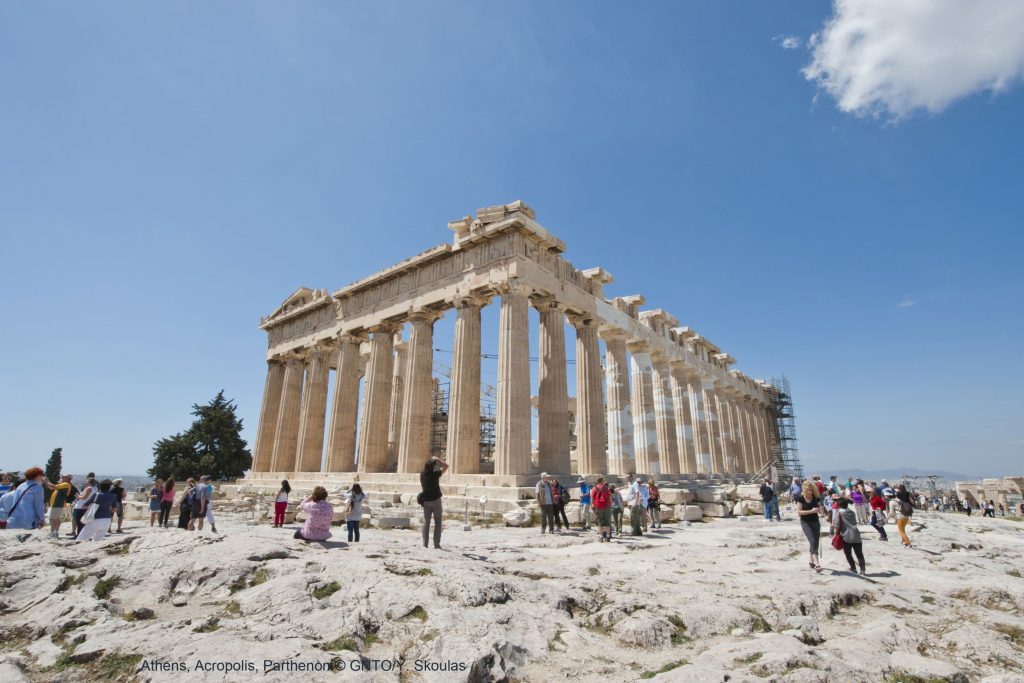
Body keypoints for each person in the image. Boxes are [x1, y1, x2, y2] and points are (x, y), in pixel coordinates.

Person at [796, 480, 825, 572]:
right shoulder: (801, 498)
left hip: (815, 522)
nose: (810, 492)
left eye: (811, 490)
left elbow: (821, 511)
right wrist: (811, 511)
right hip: (805, 522)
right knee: (812, 540)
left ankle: (811, 560)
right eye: (808, 490)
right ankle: (817, 563)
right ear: (804, 490)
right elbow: (799, 512)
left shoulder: (816, 498)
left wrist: (821, 510)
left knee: (815, 542)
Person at [420, 456, 448, 549]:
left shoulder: (422, 475)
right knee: (438, 522)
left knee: (426, 522)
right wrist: (438, 459)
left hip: (426, 501)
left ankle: (425, 543)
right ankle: (436, 544)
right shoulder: (435, 474)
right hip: (436, 501)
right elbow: (446, 466)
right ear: (433, 467)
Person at [834, 498, 866, 574]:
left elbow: (837, 525)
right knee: (859, 554)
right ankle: (863, 570)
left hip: (846, 536)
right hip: (856, 535)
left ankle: (853, 568)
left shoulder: (839, 513)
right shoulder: (852, 512)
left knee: (848, 554)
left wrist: (835, 534)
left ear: (838, 505)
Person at [592, 478, 613, 542]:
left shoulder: (594, 488)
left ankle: (601, 537)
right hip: (607, 506)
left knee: (600, 522)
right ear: (601, 481)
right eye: (603, 481)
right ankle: (607, 537)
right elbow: (610, 496)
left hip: (598, 506)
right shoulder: (606, 488)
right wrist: (610, 505)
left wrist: (592, 505)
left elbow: (592, 498)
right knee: (607, 522)